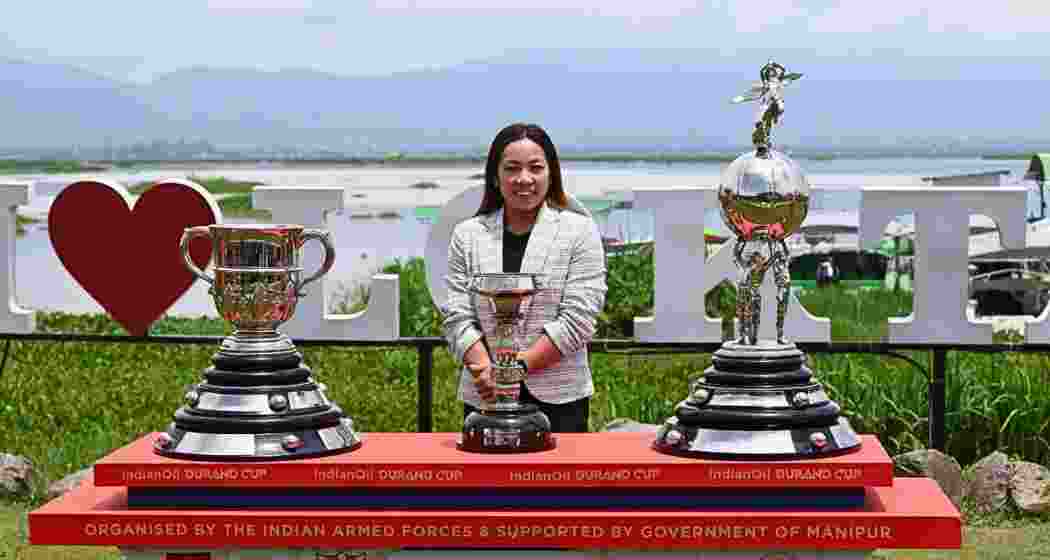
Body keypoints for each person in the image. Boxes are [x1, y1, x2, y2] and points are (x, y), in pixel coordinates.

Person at [442, 122, 608, 433]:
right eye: (512, 168)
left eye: (535, 168)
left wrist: (515, 370)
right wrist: (485, 370)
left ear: (551, 173)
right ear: (495, 176)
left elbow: (579, 318)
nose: (524, 179)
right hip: (484, 396)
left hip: (560, 399)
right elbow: (456, 316)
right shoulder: (467, 235)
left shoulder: (579, 231)